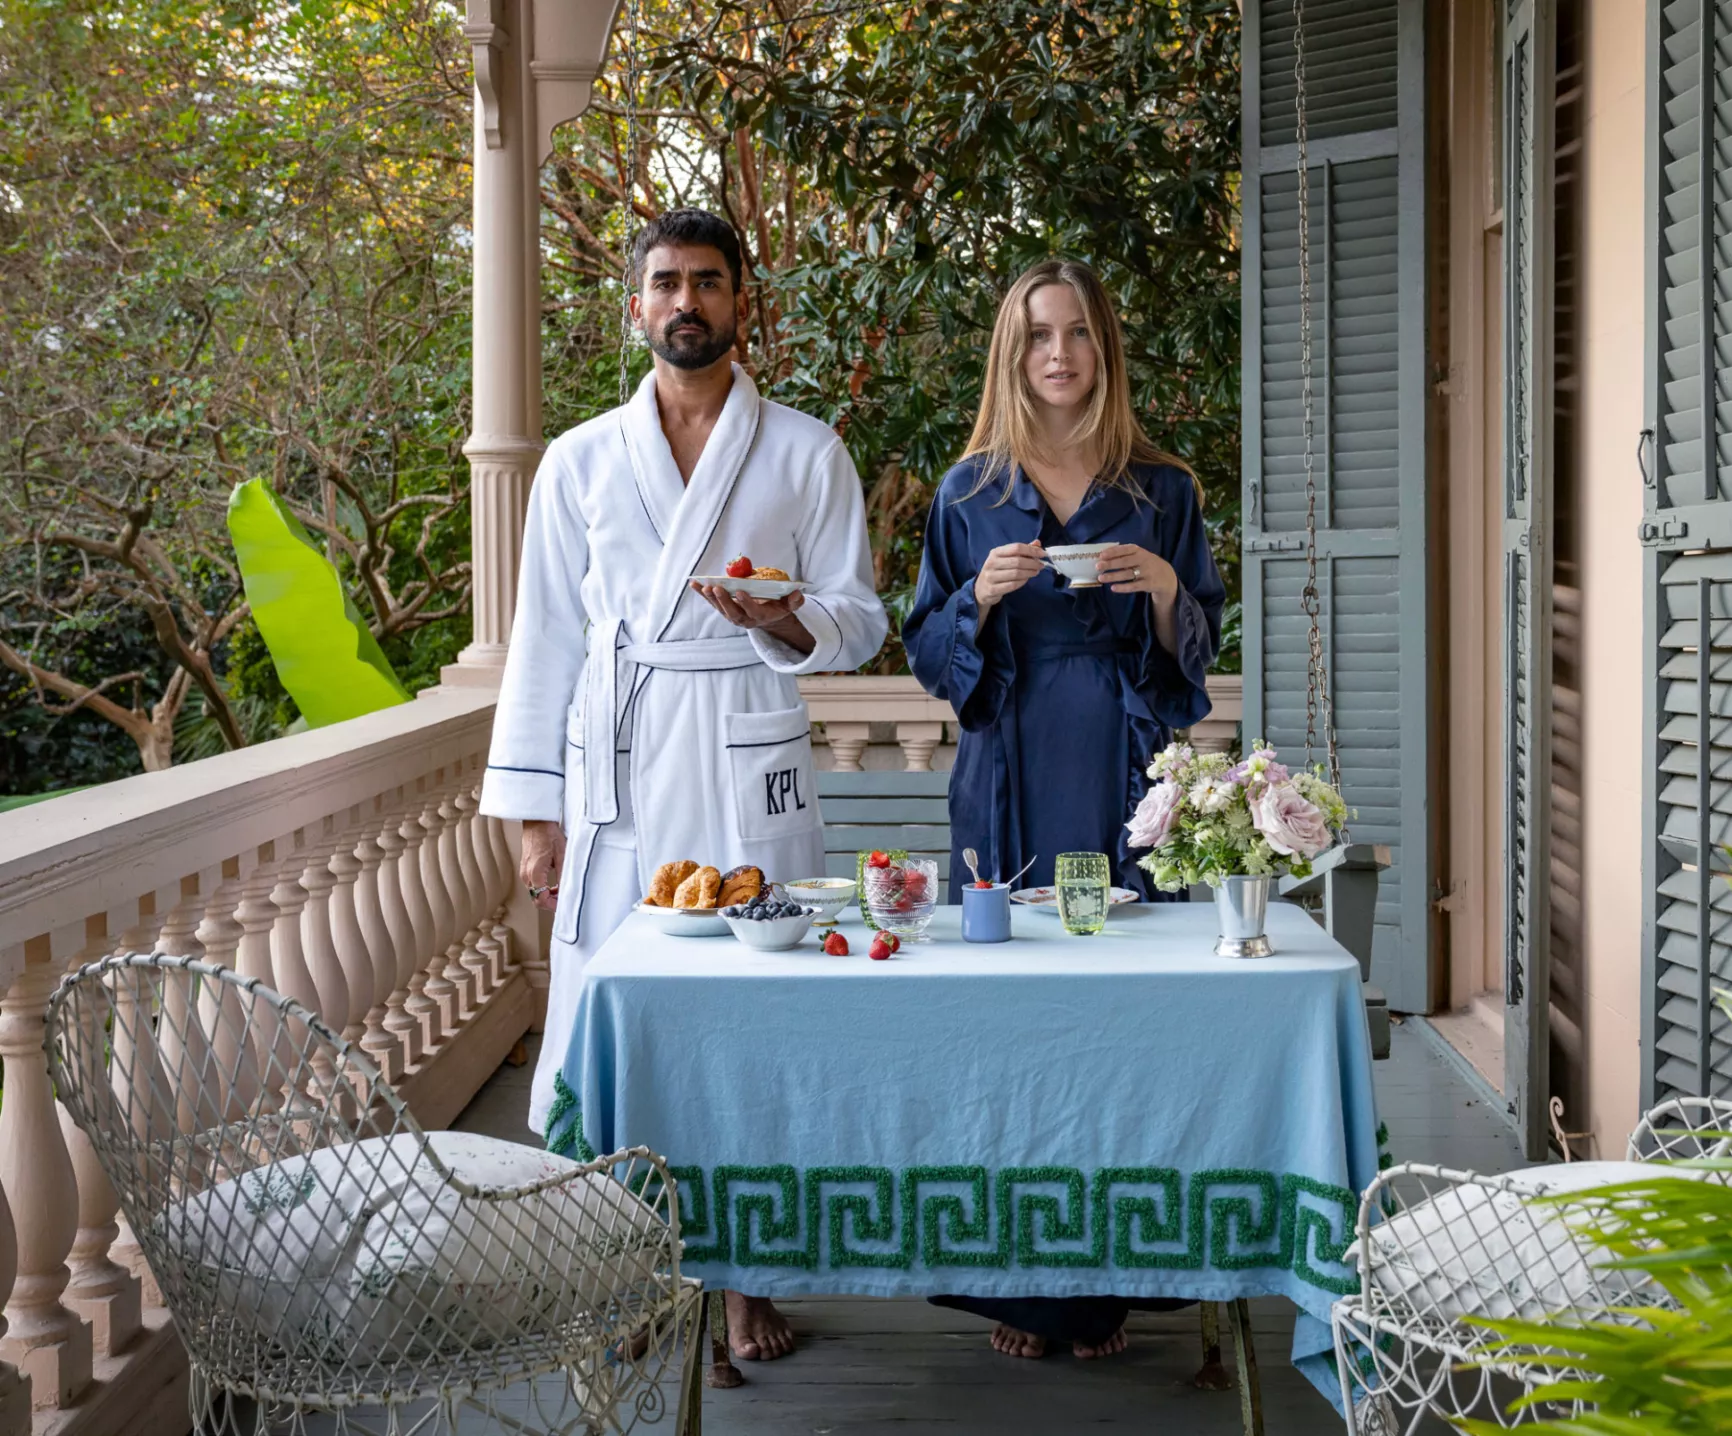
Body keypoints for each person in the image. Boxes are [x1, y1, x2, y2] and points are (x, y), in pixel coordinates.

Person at [479, 208, 886, 1363]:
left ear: (742, 302)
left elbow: (860, 617)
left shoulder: (805, 450)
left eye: (708, 281)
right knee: (617, 1019)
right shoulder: (579, 459)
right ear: (635, 306)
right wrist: (537, 816)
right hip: (620, 763)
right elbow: (545, 639)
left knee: (762, 1015)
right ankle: (619, 1271)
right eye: (665, 282)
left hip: (746, 749)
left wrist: (782, 616)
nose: (686, 301)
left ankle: (753, 1272)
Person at [901, 258, 1225, 1358]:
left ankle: (1113, 1285)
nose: (1059, 353)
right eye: (1039, 333)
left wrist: (1166, 589)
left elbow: (1196, 646)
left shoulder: (1161, 489)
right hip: (1008, 770)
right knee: (1006, 1011)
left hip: (1126, 772)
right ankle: (1022, 1286)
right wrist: (977, 598)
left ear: (1104, 348)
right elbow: (928, 649)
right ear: (1013, 350)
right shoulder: (967, 491)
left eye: (1079, 331)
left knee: (1129, 1011)